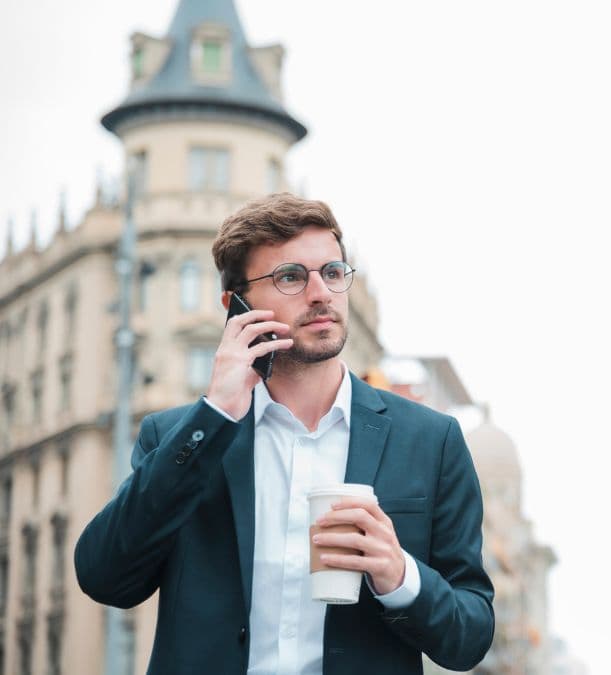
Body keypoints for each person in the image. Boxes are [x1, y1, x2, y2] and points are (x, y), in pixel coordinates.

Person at [75, 193, 494, 675]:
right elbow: (105, 577)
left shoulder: (431, 440)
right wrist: (214, 417)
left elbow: (471, 637)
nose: (321, 293)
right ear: (236, 306)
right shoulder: (177, 437)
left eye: (333, 273)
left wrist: (400, 576)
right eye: (291, 277)